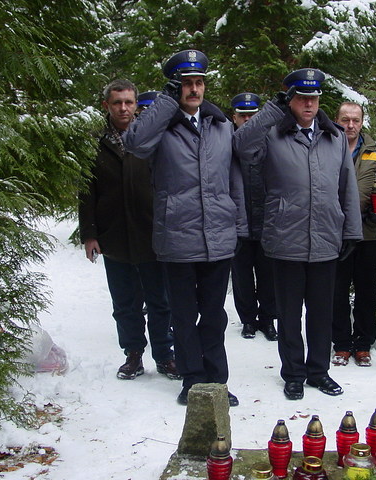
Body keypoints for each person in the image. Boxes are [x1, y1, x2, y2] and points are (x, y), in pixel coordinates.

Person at [123, 50, 247, 406]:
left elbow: (233, 179)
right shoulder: (161, 126)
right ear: (176, 88)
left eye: (198, 82)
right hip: (177, 237)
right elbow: (134, 142)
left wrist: (237, 225)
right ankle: (192, 380)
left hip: (217, 237)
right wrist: (165, 102)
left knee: (214, 315)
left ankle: (217, 381)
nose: (194, 89)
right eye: (186, 83)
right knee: (183, 314)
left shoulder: (221, 125)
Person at [233, 68, 363, 400]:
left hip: (325, 237)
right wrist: (270, 112)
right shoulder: (272, 134)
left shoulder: (334, 137)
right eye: (302, 98)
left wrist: (351, 231)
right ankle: (293, 373)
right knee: (289, 314)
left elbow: (346, 185)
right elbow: (241, 146)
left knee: (321, 312)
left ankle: (318, 371)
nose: (308, 104)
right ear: (290, 100)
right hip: (285, 237)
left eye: (314, 98)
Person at [78, 79, 180, 382]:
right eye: (117, 102)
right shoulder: (94, 143)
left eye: (129, 102)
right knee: (125, 303)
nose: (124, 108)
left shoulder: (153, 137)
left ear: (136, 105)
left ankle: (165, 355)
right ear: (106, 105)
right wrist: (90, 234)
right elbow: (86, 191)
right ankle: (133, 354)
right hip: (115, 235)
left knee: (161, 301)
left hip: (152, 233)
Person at [331, 102, 376, 367]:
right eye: (345, 119)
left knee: (366, 291)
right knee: (336, 291)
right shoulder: (326, 147)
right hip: (334, 234)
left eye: (356, 120)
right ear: (337, 120)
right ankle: (340, 343)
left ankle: (363, 344)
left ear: (362, 122)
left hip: (368, 233)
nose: (350, 125)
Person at [230, 92, 278, 341]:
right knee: (242, 277)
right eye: (243, 116)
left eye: (252, 115)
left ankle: (268, 319)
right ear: (234, 117)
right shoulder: (228, 144)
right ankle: (248, 320)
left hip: (268, 222)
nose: (248, 120)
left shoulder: (271, 142)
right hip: (238, 223)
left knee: (269, 276)